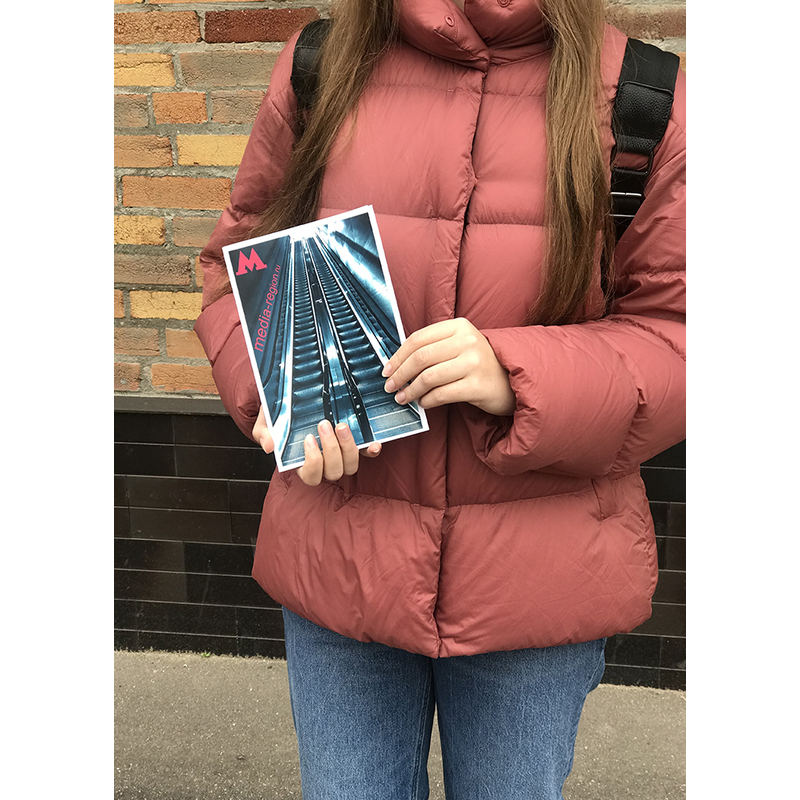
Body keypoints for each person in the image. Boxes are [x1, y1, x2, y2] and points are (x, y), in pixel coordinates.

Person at [194, 0, 686, 797]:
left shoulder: (642, 97)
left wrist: (519, 374)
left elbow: (672, 333)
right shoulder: (321, 65)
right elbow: (236, 266)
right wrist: (276, 392)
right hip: (343, 557)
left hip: (537, 582)